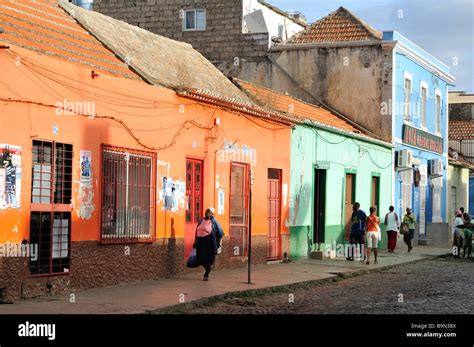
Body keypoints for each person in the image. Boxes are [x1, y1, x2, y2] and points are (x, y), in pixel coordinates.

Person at [193, 207, 224, 281]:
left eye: (209, 212)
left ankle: (207, 272)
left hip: (209, 242)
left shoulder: (214, 222)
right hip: (200, 241)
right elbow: (196, 231)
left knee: (208, 259)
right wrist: (195, 241)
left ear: (212, 214)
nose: (208, 213)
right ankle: (208, 269)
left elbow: (220, 232)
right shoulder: (201, 220)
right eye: (207, 212)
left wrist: (217, 241)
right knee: (200, 258)